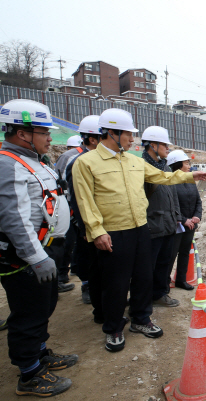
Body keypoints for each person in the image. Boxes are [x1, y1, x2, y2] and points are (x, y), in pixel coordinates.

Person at [72, 108, 206, 353]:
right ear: (112, 133)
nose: (132, 139)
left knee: (144, 278)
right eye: (128, 134)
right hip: (113, 233)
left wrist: (191, 176)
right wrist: (97, 231)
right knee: (115, 283)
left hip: (140, 229)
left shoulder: (134, 162)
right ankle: (114, 328)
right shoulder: (86, 163)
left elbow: (163, 177)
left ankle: (141, 319)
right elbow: (85, 201)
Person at [0, 99, 77, 397]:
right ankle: (29, 374)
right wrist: (36, 257)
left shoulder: (34, 160)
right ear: (23, 133)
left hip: (47, 250)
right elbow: (13, 218)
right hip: (25, 257)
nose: (49, 138)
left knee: (43, 306)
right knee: (28, 312)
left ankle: (40, 353)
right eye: (44, 132)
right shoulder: (8, 164)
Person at [141, 126, 181, 307]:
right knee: (146, 267)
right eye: (165, 145)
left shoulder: (165, 167)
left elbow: (173, 195)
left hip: (168, 224)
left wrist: (176, 217)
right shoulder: (141, 167)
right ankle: (143, 300)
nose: (168, 148)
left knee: (164, 263)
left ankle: (160, 293)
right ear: (152, 145)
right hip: (152, 225)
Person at [65, 115, 102, 307]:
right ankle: (88, 288)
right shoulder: (79, 162)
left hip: (104, 223)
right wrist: (85, 227)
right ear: (93, 139)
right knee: (90, 262)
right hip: (87, 224)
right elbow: (78, 200)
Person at [53, 135, 86, 293]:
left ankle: (72, 270)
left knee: (78, 245)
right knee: (69, 242)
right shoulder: (71, 158)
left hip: (74, 206)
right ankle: (61, 275)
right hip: (71, 206)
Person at [167, 150, 202, 291]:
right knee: (171, 255)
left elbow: (198, 201)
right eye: (186, 163)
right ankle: (164, 284)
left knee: (185, 253)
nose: (189, 166)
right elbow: (171, 205)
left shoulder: (190, 181)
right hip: (176, 226)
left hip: (190, 226)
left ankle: (181, 279)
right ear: (178, 164)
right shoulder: (171, 182)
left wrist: (196, 216)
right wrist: (182, 219)